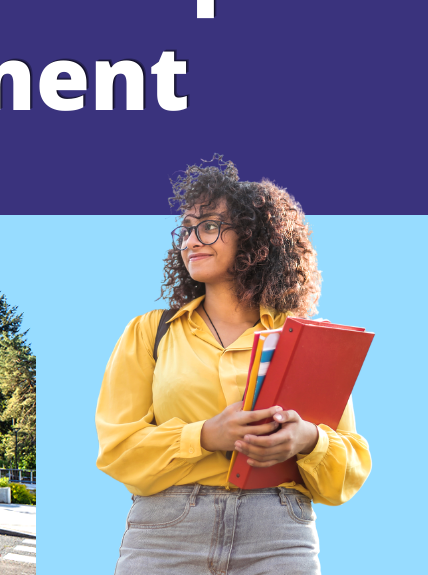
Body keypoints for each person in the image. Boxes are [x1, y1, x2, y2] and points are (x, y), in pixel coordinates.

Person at [95, 159, 370, 575]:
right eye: (186, 228)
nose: (191, 240)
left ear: (255, 238)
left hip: (278, 535)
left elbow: (348, 468)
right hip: (166, 533)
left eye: (209, 226)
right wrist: (204, 435)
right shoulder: (150, 332)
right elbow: (117, 450)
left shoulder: (308, 341)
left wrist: (309, 440)